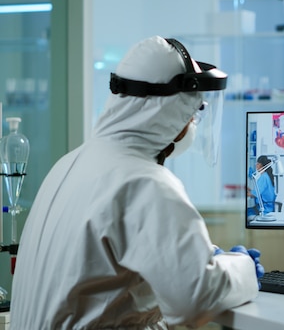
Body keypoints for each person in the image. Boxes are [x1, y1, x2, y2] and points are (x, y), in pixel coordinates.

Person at [11, 36, 264, 329]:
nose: (192, 122)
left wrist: (197, 263)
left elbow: (101, 298)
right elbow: (196, 301)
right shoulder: (146, 183)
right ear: (170, 109)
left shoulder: (69, 164)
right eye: (193, 112)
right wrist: (240, 269)